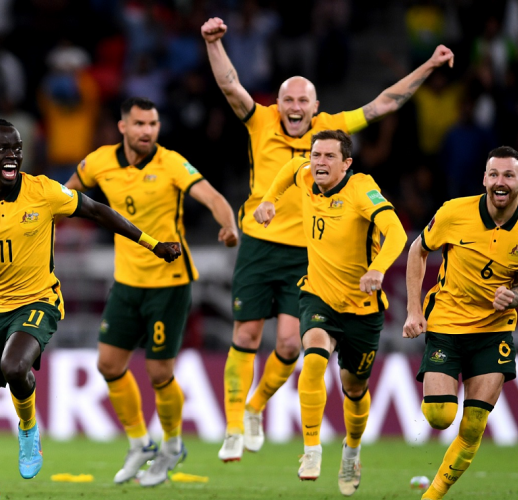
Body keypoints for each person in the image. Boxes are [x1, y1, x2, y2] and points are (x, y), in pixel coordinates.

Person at [201, 15, 454, 461]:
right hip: (259, 244)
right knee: (244, 334)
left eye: (303, 100)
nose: (294, 106)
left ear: (315, 108)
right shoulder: (260, 121)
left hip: (309, 251)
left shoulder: (331, 130)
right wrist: (213, 43)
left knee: (286, 345)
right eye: (287, 99)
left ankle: (257, 405)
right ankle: (233, 427)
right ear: (277, 103)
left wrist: (429, 66)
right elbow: (229, 85)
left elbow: (384, 104)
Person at [0, 104, 180, 500]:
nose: (12, 155)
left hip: (39, 299)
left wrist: (152, 243)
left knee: (14, 365)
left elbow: (96, 210)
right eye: (2, 149)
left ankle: (28, 428)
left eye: (17, 148)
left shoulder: (43, 190)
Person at [65, 96, 239, 486]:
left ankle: (173, 445)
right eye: (140, 124)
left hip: (169, 283)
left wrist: (229, 226)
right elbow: (66, 195)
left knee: (160, 373)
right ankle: (140, 442)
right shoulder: (98, 161)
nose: (148, 131)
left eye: (153, 124)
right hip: (126, 282)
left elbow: (212, 196)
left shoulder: (172, 163)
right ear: (123, 127)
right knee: (109, 365)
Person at [254, 130, 407, 495]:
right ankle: (310, 450)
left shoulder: (362, 191)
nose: (318, 162)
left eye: (328, 157)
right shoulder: (305, 172)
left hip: (362, 308)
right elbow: (290, 167)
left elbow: (397, 233)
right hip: (318, 297)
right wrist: (269, 201)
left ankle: (351, 450)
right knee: (314, 361)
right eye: (315, 154)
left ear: (346, 163)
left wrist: (378, 269)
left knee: (354, 388)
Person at [403, 146, 518, 500]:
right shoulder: (454, 212)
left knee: (473, 426)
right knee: (439, 416)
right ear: (484, 179)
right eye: (494, 174)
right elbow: (417, 250)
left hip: (494, 331)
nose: (501, 182)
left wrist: (515, 297)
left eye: (509, 176)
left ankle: (432, 496)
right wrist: (413, 310)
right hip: (447, 325)